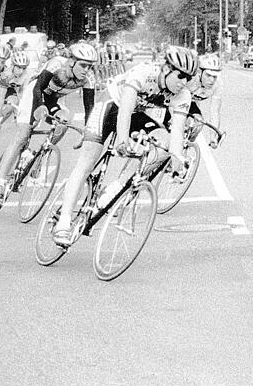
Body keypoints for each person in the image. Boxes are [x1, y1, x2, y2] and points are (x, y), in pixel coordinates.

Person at [50, 46, 197, 247]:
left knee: (163, 142)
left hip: (137, 113)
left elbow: (177, 132)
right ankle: (64, 222)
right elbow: (125, 110)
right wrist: (122, 140)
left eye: (189, 78)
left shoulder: (182, 95)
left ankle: (117, 187)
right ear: (166, 68)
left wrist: (177, 159)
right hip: (111, 105)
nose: (184, 83)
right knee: (86, 163)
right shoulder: (145, 72)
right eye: (181, 76)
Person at [0, 43, 98, 199]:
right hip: (35, 94)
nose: (86, 70)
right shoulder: (57, 64)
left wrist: (88, 133)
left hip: (53, 99)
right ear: (72, 61)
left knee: (65, 119)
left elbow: (89, 107)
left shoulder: (89, 78)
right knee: (23, 135)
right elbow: (38, 89)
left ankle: (40, 157)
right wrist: (38, 109)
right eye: (83, 65)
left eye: (90, 67)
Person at [183, 53, 223, 146]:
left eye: (215, 76)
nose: (212, 80)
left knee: (198, 123)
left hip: (191, 102)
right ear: (200, 72)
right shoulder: (190, 79)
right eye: (208, 75)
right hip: (176, 100)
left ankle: (185, 147)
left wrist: (213, 137)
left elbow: (214, 111)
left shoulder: (218, 84)